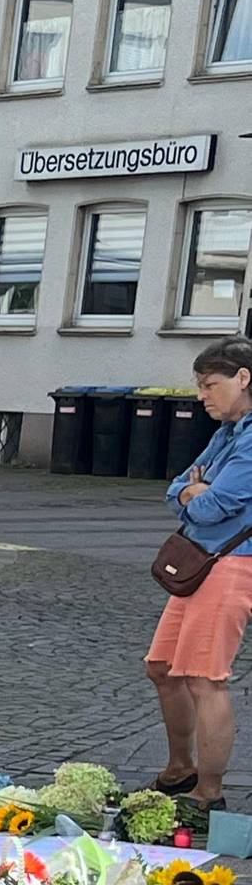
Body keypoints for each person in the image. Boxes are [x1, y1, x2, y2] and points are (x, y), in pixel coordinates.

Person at [147, 336, 252, 840]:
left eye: (211, 385)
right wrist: (194, 489)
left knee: (205, 678)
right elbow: (178, 488)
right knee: (163, 668)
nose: (202, 396)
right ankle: (179, 768)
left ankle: (209, 791)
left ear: (243, 379)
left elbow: (213, 505)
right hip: (201, 561)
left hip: (232, 564)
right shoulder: (230, 431)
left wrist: (197, 493)